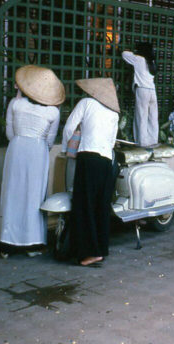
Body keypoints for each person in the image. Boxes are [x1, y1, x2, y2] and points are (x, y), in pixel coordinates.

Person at [0, 65, 65, 259]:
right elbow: (50, 141)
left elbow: (10, 134)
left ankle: (6, 243)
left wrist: (21, 139)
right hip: (38, 150)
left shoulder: (15, 104)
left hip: (17, 148)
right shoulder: (53, 112)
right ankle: (32, 242)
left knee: (12, 192)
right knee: (34, 195)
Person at [62, 78, 120, 267]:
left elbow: (69, 127)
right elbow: (112, 141)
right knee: (100, 206)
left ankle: (90, 252)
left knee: (84, 205)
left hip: (88, 157)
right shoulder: (113, 113)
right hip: (105, 161)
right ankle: (101, 249)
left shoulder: (86, 103)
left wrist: (66, 149)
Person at [122, 42, 158, 147]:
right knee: (153, 118)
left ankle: (142, 144)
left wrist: (135, 52)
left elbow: (124, 54)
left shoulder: (139, 59)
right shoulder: (152, 62)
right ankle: (153, 141)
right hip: (152, 91)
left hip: (142, 90)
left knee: (141, 117)